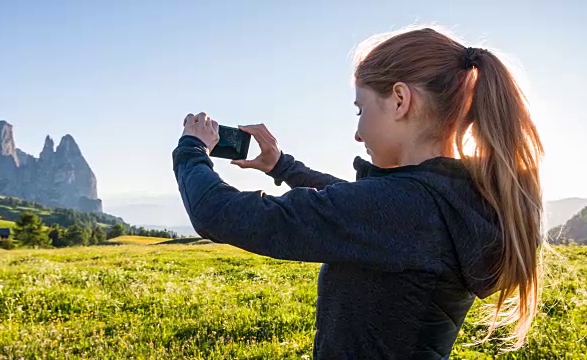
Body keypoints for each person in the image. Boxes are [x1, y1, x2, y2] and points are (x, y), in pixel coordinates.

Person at [172, 27, 544, 359]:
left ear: (400, 100)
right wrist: (282, 166)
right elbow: (358, 203)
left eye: (360, 110)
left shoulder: (405, 209)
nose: (358, 133)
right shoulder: (448, 198)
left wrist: (191, 148)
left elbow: (216, 212)